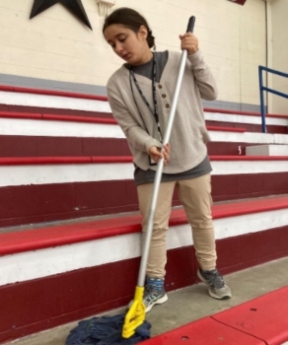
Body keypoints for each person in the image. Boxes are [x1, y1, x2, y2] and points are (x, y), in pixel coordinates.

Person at [102, 7, 232, 313]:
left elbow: (212, 91)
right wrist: (149, 145)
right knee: (154, 227)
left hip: (192, 156)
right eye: (112, 44)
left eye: (122, 39)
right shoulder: (116, 84)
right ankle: (155, 284)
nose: (119, 49)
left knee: (202, 219)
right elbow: (128, 125)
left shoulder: (180, 60)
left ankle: (209, 270)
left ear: (142, 32)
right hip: (152, 165)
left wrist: (197, 54)